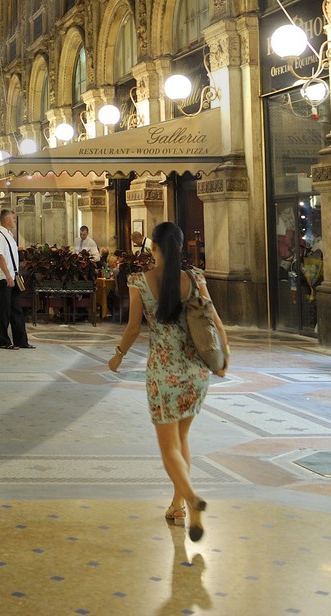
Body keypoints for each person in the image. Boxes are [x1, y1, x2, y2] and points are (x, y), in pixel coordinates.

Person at [108, 221, 227, 542]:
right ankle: (177, 506)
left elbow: (133, 328)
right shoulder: (196, 278)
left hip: (164, 374)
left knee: (168, 448)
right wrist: (223, 359)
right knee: (183, 440)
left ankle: (190, 498)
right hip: (196, 373)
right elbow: (216, 322)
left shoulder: (139, 282)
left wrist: (118, 355)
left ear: (155, 248)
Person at [0, 209, 31, 349]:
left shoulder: (8, 235)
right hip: (3, 278)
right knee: (4, 311)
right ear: (7, 220)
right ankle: (4, 341)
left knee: (16, 310)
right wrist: (7, 275)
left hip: (12, 277)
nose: (15, 221)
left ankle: (21, 341)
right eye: (13, 219)